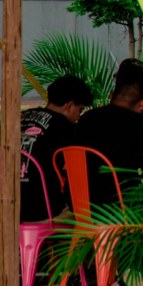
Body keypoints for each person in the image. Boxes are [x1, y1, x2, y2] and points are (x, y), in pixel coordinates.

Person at [74, 64, 143, 205]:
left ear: (112, 96)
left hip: (83, 211)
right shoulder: (140, 123)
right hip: (125, 211)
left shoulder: (85, 119)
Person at [20, 74, 93, 221]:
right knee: (89, 206)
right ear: (69, 105)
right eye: (80, 110)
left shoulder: (21, 117)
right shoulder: (63, 127)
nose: (79, 116)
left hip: (9, 205)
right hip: (43, 209)